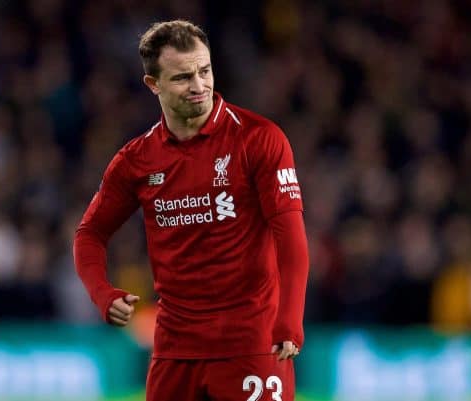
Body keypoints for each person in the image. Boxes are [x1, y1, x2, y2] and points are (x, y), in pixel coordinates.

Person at [73, 20, 309, 401]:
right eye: (183, 77)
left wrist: (290, 319)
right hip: (175, 351)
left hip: (252, 343)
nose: (199, 86)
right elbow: (90, 234)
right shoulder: (137, 159)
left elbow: (291, 237)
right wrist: (102, 292)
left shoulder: (259, 139)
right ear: (154, 84)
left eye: (205, 71)